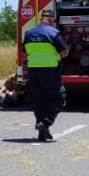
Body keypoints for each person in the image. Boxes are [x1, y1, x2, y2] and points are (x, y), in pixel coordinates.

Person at [22, 9, 69, 141]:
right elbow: (64, 52)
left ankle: (42, 132)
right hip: (49, 71)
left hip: (33, 72)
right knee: (59, 98)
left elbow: (25, 52)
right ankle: (47, 122)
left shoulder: (29, 33)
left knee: (39, 101)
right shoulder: (53, 33)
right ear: (52, 19)